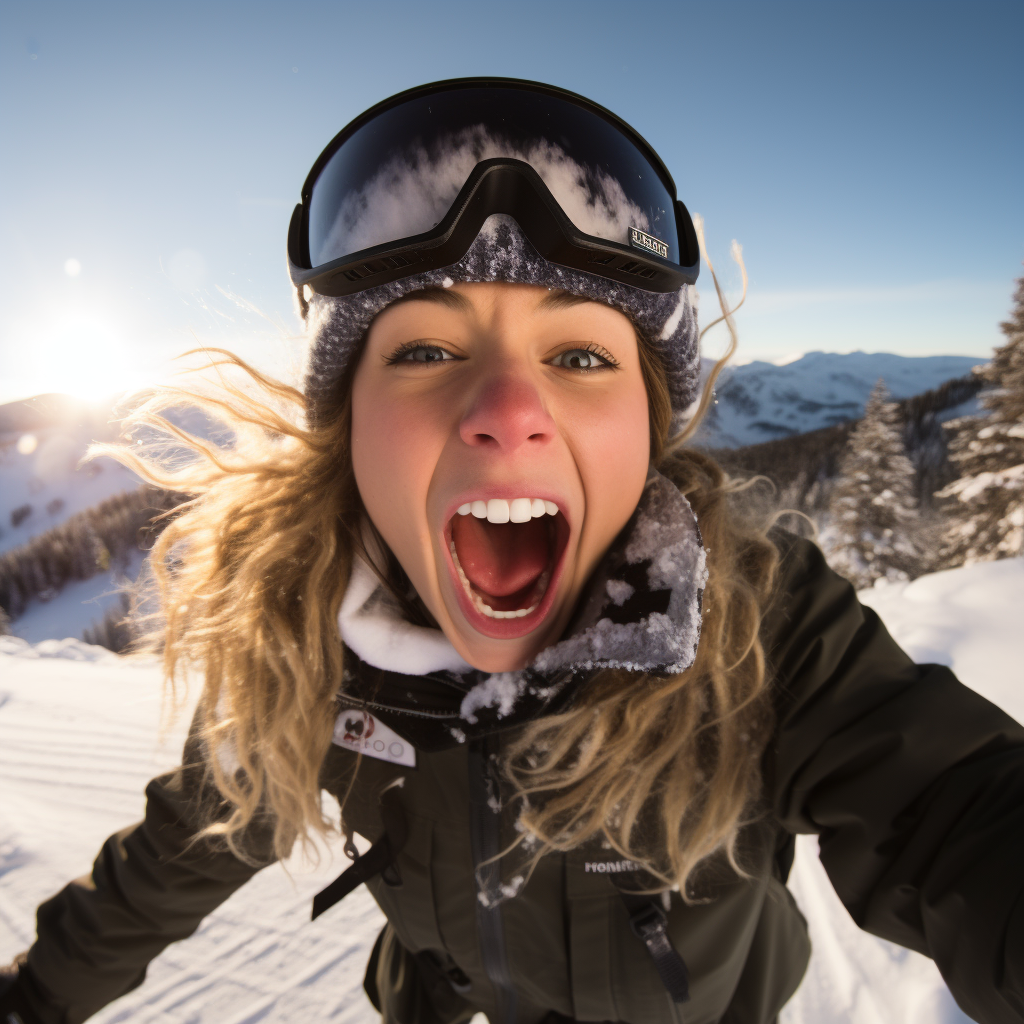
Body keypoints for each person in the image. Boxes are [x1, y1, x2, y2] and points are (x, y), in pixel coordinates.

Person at [1, 78, 1022, 1024]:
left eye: (579, 354)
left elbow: (955, 808)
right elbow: (174, 854)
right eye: (425, 351)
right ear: (346, 424)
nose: (506, 411)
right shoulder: (306, 648)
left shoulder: (756, 626)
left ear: (650, 428)